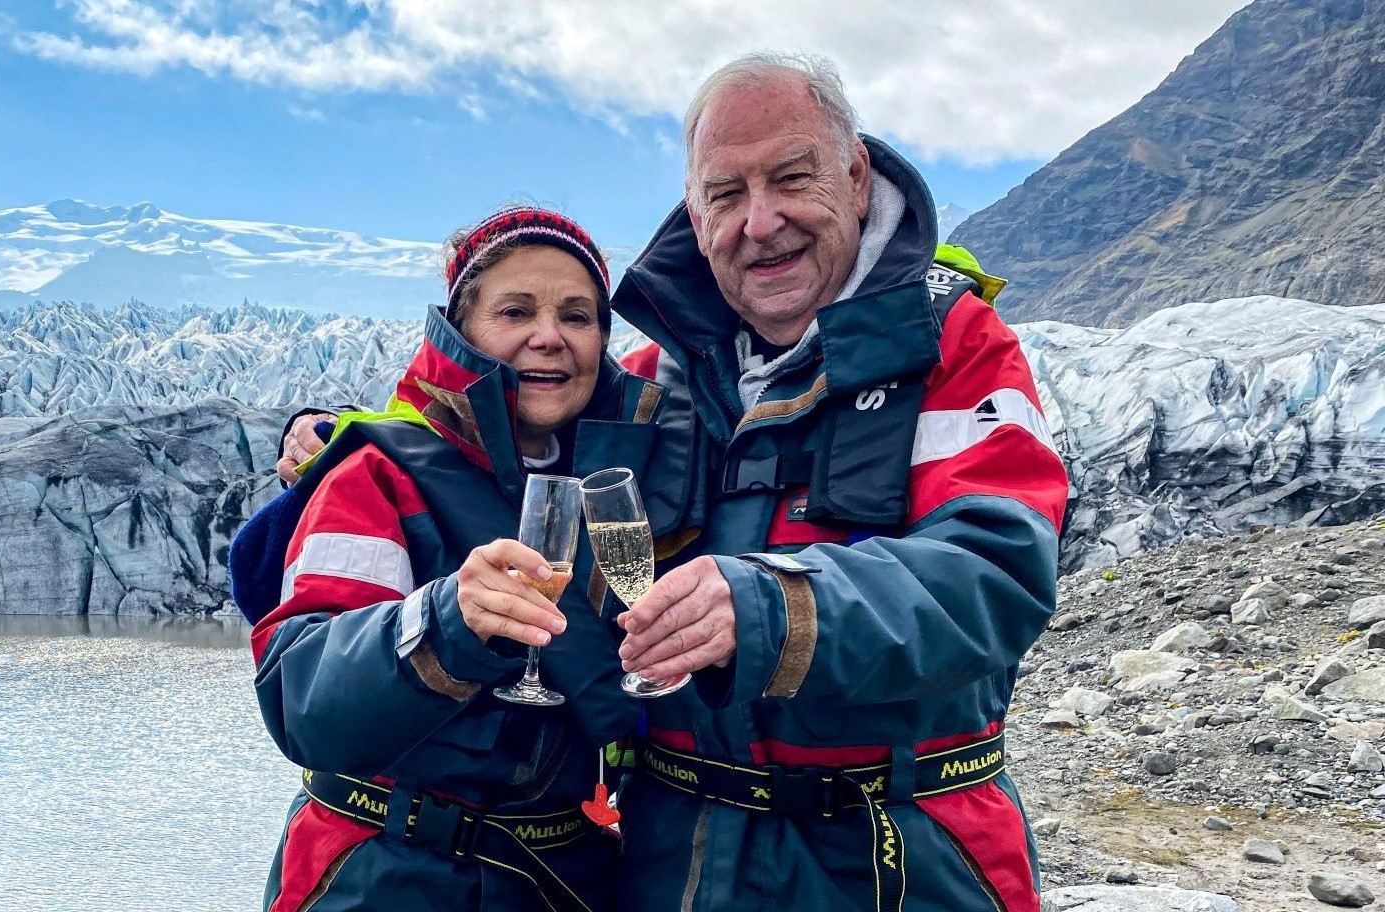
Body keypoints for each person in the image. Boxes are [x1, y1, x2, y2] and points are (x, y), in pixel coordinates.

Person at [274, 53, 1068, 912]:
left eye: (790, 178)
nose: (760, 222)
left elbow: (997, 574)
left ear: (855, 173)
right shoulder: (656, 383)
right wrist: (342, 433)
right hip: (679, 860)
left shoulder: (952, 347)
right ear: (695, 212)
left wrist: (772, 605)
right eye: (725, 194)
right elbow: (487, 430)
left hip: (892, 858)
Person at [246, 206, 668, 912]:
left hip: (567, 880)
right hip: (389, 875)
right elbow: (304, 696)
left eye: (577, 315)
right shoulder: (378, 478)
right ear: (461, 331)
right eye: (515, 311)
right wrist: (443, 622)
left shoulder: (627, 472)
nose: (549, 337)